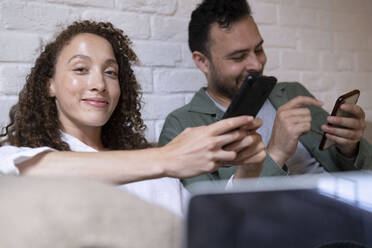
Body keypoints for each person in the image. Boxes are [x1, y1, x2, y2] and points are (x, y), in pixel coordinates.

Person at [0, 20, 267, 215]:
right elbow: (29, 175)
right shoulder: (16, 157)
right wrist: (169, 157)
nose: (99, 84)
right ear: (50, 85)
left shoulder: (158, 174)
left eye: (110, 72)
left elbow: (212, 231)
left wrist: (248, 171)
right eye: (81, 69)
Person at [158, 0, 372, 189]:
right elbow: (212, 215)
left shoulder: (291, 94)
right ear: (202, 61)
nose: (257, 63)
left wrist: (350, 148)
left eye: (259, 49)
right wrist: (276, 152)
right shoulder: (183, 126)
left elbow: (354, 173)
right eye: (239, 56)